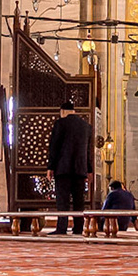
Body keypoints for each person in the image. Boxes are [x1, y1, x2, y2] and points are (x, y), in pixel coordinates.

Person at [45, 98, 93, 235]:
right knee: (79, 201)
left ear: (63, 112)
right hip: (80, 169)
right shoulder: (86, 126)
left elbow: (54, 147)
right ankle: (78, 228)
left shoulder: (60, 124)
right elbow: (88, 151)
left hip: (63, 169)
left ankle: (62, 228)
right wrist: (89, 170)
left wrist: (50, 167)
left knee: (63, 201)